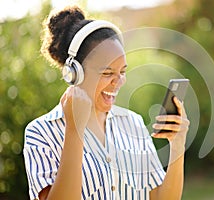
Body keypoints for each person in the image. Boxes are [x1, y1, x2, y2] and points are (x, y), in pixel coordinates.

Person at [23, 5, 190, 200]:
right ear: (74, 73)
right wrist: (74, 129)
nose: (118, 81)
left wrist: (178, 145)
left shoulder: (133, 123)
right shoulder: (41, 132)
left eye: (123, 72)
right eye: (107, 73)